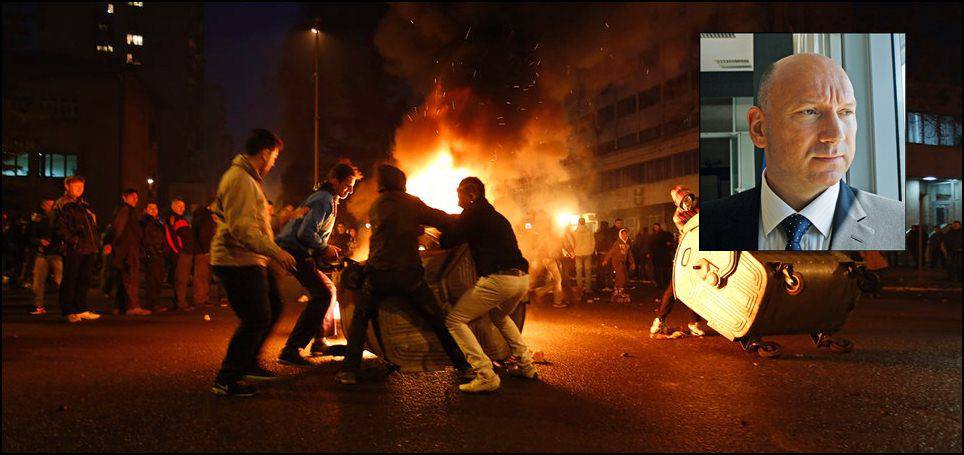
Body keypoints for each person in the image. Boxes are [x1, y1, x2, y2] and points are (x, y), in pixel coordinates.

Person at [700, 53, 904, 251]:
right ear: (759, 129)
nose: (836, 134)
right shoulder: (705, 227)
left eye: (846, 112)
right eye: (810, 112)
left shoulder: (897, 225)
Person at [336, 164, 470, 385]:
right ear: (401, 182)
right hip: (409, 275)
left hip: (378, 274)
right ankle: (464, 366)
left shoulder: (377, 205)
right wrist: (464, 220)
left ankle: (348, 371)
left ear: (382, 184)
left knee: (361, 318)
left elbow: (393, 227)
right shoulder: (411, 202)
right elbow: (442, 219)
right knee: (436, 319)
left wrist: (415, 229)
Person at [209, 129, 297, 397]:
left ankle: (249, 363)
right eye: (275, 157)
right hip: (237, 260)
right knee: (256, 317)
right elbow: (243, 230)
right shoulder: (240, 180)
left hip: (250, 258)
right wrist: (276, 252)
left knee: (274, 306)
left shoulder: (248, 179)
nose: (274, 163)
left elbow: (254, 224)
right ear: (265, 152)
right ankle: (226, 379)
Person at [441, 177, 537, 393]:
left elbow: (449, 240)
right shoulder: (495, 216)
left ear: (472, 195)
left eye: (460, 196)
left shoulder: (473, 213)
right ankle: (526, 365)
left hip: (499, 279)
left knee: (454, 320)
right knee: (499, 316)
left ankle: (485, 374)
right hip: (521, 279)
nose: (458, 201)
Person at [275, 161, 361, 366]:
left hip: (297, 249)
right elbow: (305, 233)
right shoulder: (324, 199)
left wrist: (322, 252)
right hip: (294, 250)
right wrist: (324, 249)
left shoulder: (327, 198)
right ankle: (290, 349)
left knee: (328, 289)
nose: (350, 190)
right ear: (334, 180)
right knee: (323, 294)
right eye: (347, 184)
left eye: (352, 186)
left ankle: (320, 340)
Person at [651, 186, 705, 337]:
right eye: (683, 202)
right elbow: (687, 232)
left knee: (697, 288)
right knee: (674, 288)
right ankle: (660, 320)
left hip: (704, 252)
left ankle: (694, 322)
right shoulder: (678, 217)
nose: (687, 203)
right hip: (687, 253)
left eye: (688, 199)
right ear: (678, 204)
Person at [53, 176, 102, 323]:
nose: (80, 189)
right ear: (67, 187)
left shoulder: (83, 204)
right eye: (76, 186)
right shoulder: (62, 204)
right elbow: (58, 228)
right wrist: (74, 241)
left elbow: (92, 226)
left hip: (88, 248)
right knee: (70, 279)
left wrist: (95, 243)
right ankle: (68, 310)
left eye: (82, 186)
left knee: (84, 280)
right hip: (74, 248)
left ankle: (81, 308)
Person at [104, 188, 150, 316]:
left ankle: (119, 307)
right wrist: (111, 243)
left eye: (136, 197)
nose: (136, 199)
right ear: (125, 197)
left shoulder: (127, 211)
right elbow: (117, 228)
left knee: (122, 279)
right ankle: (132, 307)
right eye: (132, 197)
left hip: (125, 249)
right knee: (131, 277)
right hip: (127, 250)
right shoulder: (125, 210)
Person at [26, 197, 63, 315]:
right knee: (38, 281)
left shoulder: (58, 217)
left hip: (56, 253)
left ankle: (66, 304)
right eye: (48, 205)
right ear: (43, 205)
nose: (51, 207)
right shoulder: (37, 218)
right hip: (41, 254)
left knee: (60, 280)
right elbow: (29, 235)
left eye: (52, 205)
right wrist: (39, 241)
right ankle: (39, 306)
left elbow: (63, 233)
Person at [165, 198, 194, 311]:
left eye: (183, 206)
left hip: (186, 253)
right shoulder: (173, 219)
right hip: (182, 254)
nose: (182, 208)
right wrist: (178, 251)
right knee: (181, 279)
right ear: (173, 207)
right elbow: (170, 237)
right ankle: (181, 303)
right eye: (179, 206)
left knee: (182, 279)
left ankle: (180, 302)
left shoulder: (181, 219)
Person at [141, 202, 168, 312]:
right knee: (152, 280)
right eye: (150, 208)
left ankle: (155, 302)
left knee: (158, 279)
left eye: (155, 208)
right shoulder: (146, 222)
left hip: (159, 254)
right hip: (153, 255)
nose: (153, 210)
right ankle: (152, 303)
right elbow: (147, 240)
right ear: (145, 210)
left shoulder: (157, 223)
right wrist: (153, 253)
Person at [191, 200, 217, 306]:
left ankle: (204, 298)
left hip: (204, 250)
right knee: (202, 276)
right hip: (203, 252)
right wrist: (206, 250)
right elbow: (204, 235)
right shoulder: (205, 217)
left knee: (205, 276)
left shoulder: (204, 216)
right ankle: (200, 299)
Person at [602, 228, 635, 304]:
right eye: (623, 234)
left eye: (626, 234)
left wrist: (632, 263)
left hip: (623, 262)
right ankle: (619, 291)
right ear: (620, 235)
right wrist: (606, 260)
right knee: (621, 276)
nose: (624, 235)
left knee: (623, 277)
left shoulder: (627, 243)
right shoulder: (617, 243)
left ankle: (617, 291)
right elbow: (611, 252)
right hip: (617, 262)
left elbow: (629, 254)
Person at [571, 217, 595, 298]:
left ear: (578, 222)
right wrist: (591, 250)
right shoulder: (589, 231)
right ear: (585, 222)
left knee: (579, 271)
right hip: (588, 253)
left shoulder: (575, 232)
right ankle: (588, 289)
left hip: (578, 253)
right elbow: (593, 242)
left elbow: (572, 243)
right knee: (588, 271)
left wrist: (573, 251)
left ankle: (579, 288)